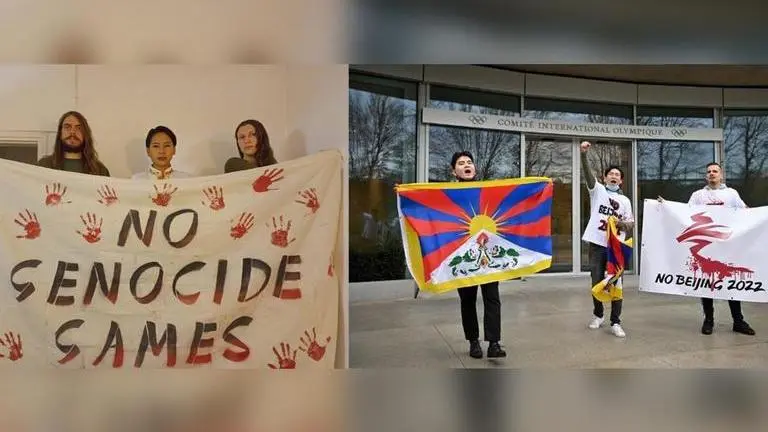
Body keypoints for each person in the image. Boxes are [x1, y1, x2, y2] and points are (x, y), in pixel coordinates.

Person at [660, 162, 756, 336]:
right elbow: (685, 213)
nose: (712, 174)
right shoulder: (698, 195)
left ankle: (738, 321)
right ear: (706, 176)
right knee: (707, 284)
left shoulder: (731, 194)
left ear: (721, 175)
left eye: (715, 171)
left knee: (731, 282)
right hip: (707, 247)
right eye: (709, 172)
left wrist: (760, 216)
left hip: (728, 245)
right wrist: (666, 206)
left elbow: (746, 212)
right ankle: (708, 320)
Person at [450, 151, 506, 359]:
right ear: (453, 170)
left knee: (492, 297)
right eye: (461, 163)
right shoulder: (447, 194)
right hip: (462, 254)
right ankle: (473, 341)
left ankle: (494, 343)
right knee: (468, 300)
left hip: (488, 253)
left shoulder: (487, 191)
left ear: (475, 168)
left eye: (469, 162)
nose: (466, 165)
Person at [580, 140, 634, 338]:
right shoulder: (598, 191)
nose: (614, 176)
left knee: (616, 282)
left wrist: (619, 224)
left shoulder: (625, 200)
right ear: (604, 178)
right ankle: (598, 314)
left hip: (616, 247)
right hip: (597, 244)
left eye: (617, 175)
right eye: (610, 174)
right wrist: (584, 155)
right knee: (596, 279)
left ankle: (616, 321)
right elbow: (587, 174)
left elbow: (631, 223)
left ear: (621, 181)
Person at [37, 111, 110, 176]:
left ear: (85, 134)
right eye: (67, 127)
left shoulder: (100, 170)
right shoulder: (44, 166)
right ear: (60, 133)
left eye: (79, 128)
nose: (72, 131)